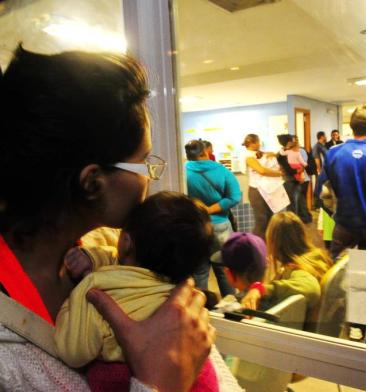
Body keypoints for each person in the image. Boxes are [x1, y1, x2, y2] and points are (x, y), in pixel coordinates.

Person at [0, 46, 219, 391]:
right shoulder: (8, 345)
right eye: (144, 163)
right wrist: (160, 383)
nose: (151, 177)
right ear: (92, 182)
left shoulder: (106, 249)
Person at [55, 191, 218, 392]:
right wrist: (93, 257)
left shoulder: (97, 287)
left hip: (127, 378)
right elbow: (119, 262)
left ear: (126, 241)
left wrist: (69, 306)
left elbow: (73, 352)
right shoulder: (183, 296)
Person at [317, 105, 366, 259]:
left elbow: (322, 192)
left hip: (344, 224)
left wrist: (335, 211)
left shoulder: (333, 153)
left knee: (338, 275)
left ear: (351, 126)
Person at [241, 212, 332, 315]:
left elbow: (312, 289)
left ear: (274, 242)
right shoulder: (315, 258)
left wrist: (261, 288)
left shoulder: (297, 269)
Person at [185, 139, 241, 297]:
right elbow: (235, 196)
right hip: (220, 226)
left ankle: (202, 307)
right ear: (205, 152)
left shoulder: (183, 171)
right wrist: (210, 209)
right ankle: (229, 307)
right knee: (224, 270)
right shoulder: (221, 170)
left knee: (199, 272)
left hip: (195, 227)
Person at [242, 134, 282, 239]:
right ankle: (258, 247)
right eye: (258, 142)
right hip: (257, 191)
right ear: (251, 143)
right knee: (261, 221)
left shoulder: (256, 153)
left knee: (270, 218)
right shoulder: (248, 156)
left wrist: (271, 154)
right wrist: (280, 173)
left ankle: (269, 246)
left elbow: (272, 155)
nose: (260, 144)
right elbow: (262, 171)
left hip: (267, 189)